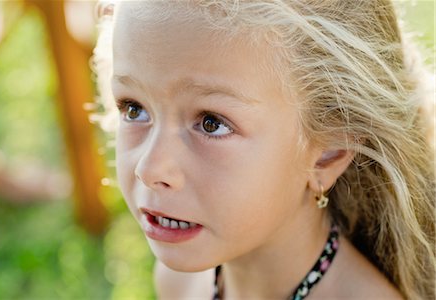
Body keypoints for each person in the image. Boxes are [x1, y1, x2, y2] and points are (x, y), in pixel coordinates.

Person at [92, 1, 435, 299]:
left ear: (328, 153)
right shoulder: (182, 281)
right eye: (134, 108)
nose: (149, 169)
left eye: (212, 123)